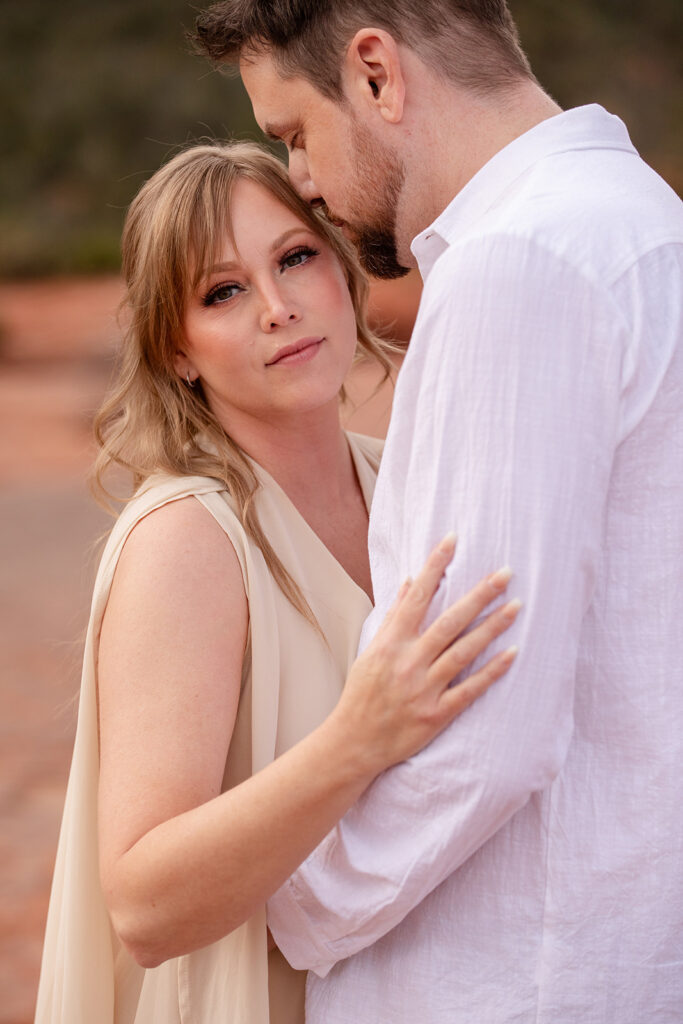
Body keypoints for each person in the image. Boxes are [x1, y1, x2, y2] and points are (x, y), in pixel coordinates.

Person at [193, 2, 683, 1021]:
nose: (302, 179)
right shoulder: (640, 223)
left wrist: (288, 911)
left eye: (293, 133)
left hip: (500, 979)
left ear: (375, 73)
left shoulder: (518, 264)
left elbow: (479, 722)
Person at [34, 141, 520, 1024]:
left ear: (341, 274)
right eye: (222, 292)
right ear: (176, 352)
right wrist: (357, 740)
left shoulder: (408, 483)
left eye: (295, 259)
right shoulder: (188, 535)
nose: (277, 308)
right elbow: (145, 908)